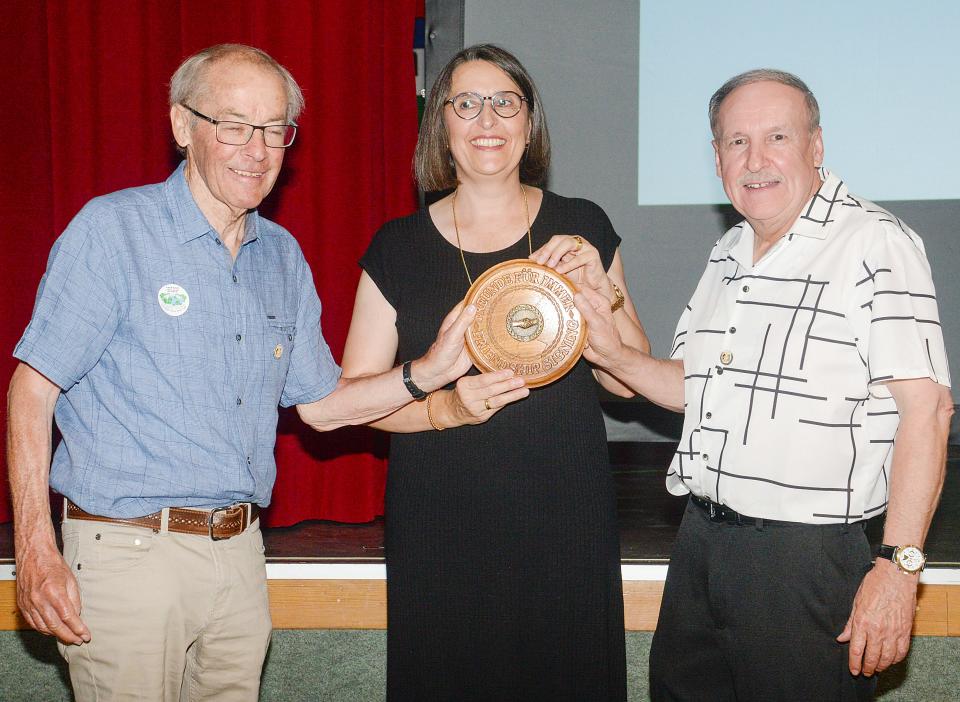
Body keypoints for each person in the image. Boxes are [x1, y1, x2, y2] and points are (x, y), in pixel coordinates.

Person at [6, 43, 476, 701]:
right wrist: (35, 550)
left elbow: (320, 405)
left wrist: (427, 373)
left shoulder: (281, 257)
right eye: (232, 124)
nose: (256, 149)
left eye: (273, 129)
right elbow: (33, 390)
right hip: (127, 554)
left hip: (240, 555)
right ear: (181, 127)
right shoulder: (114, 232)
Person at [575, 68, 953, 701]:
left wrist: (897, 569)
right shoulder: (728, 252)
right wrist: (609, 352)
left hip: (805, 562)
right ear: (717, 157)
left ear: (817, 146)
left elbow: (929, 411)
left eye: (777, 136)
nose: (756, 159)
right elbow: (696, 388)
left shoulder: (873, 243)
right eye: (735, 141)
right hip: (700, 545)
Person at [341, 44, 650, 701]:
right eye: (467, 103)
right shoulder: (397, 247)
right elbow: (356, 400)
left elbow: (626, 382)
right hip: (441, 522)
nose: (488, 119)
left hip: (565, 517)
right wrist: (445, 405)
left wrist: (604, 295)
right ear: (442, 125)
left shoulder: (581, 226)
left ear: (528, 123)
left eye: (506, 103)